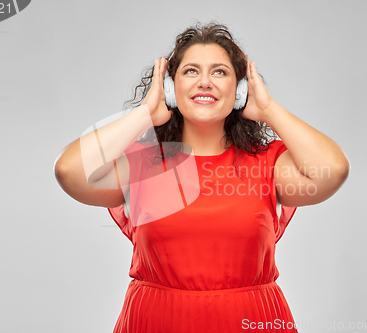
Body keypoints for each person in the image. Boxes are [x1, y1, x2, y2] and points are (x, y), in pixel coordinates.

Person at [54, 22, 350, 333]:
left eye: (220, 72)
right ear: (170, 87)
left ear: (240, 90)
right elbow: (69, 171)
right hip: (155, 321)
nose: (205, 82)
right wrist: (144, 114)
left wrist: (268, 108)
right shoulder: (142, 165)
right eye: (191, 71)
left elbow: (334, 169)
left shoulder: (269, 163)